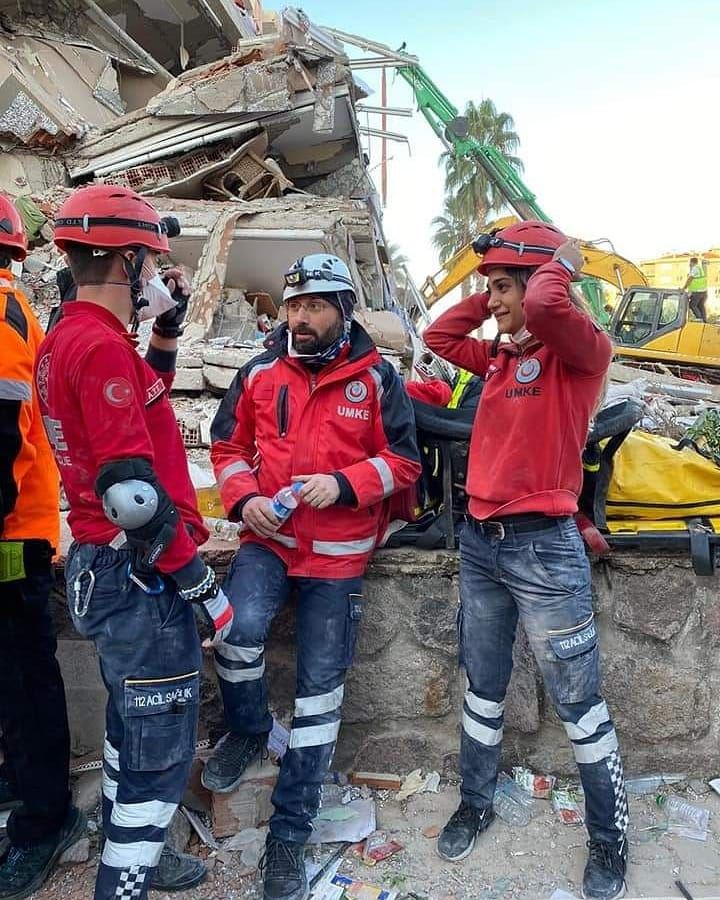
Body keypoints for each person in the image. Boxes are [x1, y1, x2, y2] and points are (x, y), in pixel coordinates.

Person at [35, 185, 235, 900]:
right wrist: (200, 586)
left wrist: (167, 332)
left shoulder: (71, 340)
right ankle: (124, 884)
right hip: (140, 575)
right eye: (148, 261)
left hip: (101, 568)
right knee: (157, 751)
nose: (153, 274)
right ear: (123, 261)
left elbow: (140, 400)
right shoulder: (97, 346)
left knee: (129, 723)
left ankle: (141, 859)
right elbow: (132, 497)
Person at [207, 254, 421, 900]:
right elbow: (225, 448)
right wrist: (244, 502)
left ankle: (289, 837)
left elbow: (405, 464)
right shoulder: (260, 371)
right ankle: (246, 729)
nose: (299, 317)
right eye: (293, 305)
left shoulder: (378, 379)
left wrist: (347, 484)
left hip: (337, 558)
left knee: (319, 696)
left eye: (314, 306)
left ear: (343, 311)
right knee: (235, 634)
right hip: (268, 543)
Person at [424, 221, 628, 900]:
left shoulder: (582, 352)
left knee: (579, 704)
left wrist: (555, 264)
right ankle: (475, 801)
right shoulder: (503, 358)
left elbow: (545, 305)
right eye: (494, 290)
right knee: (482, 685)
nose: (500, 300)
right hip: (483, 543)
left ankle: (609, 838)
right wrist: (492, 293)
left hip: (544, 546)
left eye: (505, 286)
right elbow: (438, 338)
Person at [0, 195, 83, 899]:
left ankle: (45, 818)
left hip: (11, 530)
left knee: (26, 679)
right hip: (16, 525)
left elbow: (1, 431)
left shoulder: (2, 313)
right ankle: (21, 778)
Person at [683, 256, 707, 322]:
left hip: (697, 292)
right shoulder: (700, 268)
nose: (689, 264)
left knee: (692, 305)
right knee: (701, 306)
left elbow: (689, 279)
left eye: (689, 263)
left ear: (692, 262)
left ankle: (700, 319)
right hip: (704, 292)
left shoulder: (695, 268)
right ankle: (704, 320)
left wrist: (684, 288)